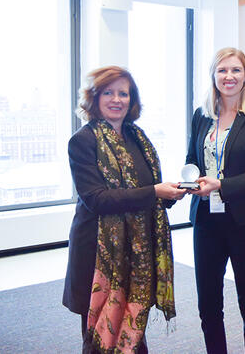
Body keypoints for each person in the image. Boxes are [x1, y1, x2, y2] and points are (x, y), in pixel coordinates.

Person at [63, 66, 187, 353]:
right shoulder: (83, 141)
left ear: (132, 101)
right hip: (99, 255)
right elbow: (97, 199)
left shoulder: (137, 139)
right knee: (99, 335)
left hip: (137, 255)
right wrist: (155, 192)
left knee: (133, 329)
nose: (116, 99)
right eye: (108, 92)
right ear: (94, 98)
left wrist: (169, 195)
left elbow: (145, 191)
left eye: (123, 93)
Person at [186, 47, 245, 354]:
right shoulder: (201, 116)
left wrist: (221, 185)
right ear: (213, 75)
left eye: (235, 70)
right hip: (206, 222)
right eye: (222, 70)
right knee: (208, 305)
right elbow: (192, 160)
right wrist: (190, 182)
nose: (229, 76)